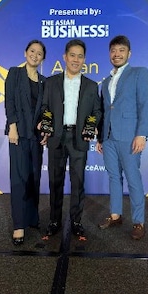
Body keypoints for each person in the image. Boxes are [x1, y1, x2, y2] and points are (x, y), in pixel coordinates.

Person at [39, 38, 102, 241]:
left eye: (80, 56)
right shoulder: (50, 82)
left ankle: (76, 222)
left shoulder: (92, 86)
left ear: (84, 59)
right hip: (56, 137)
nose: (76, 59)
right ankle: (54, 221)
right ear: (65, 57)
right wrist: (44, 123)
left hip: (78, 138)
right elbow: (44, 108)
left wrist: (92, 125)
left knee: (78, 182)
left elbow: (97, 111)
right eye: (72, 55)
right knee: (55, 182)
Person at [97, 35, 148, 240]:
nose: (116, 54)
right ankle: (115, 215)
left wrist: (142, 134)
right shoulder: (105, 81)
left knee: (133, 179)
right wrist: (100, 138)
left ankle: (138, 222)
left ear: (129, 53)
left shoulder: (139, 73)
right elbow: (104, 111)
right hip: (109, 137)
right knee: (113, 177)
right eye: (113, 50)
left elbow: (145, 105)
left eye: (121, 50)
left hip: (130, 136)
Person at [4, 39, 46, 245]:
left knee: (33, 178)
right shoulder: (15, 73)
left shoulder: (44, 81)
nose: (35, 55)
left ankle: (31, 218)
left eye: (39, 53)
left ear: (43, 58)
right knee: (19, 179)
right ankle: (19, 225)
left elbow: (44, 111)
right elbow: (9, 101)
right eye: (32, 51)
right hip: (18, 135)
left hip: (36, 138)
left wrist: (45, 128)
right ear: (25, 53)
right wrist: (12, 126)